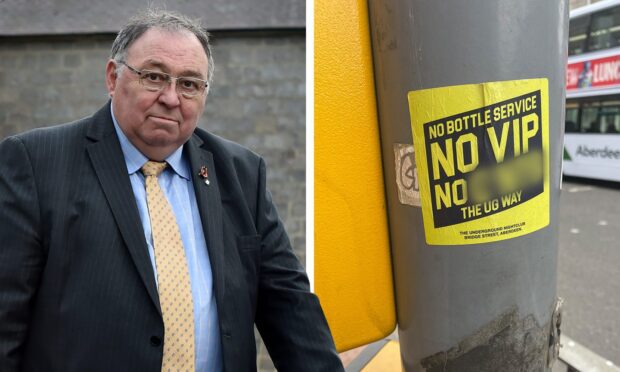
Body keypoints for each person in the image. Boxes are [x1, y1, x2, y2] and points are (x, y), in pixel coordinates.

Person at [0, 9, 343, 372]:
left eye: (189, 84)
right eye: (153, 76)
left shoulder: (241, 174)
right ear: (113, 77)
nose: (171, 97)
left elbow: (291, 309)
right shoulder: (36, 164)